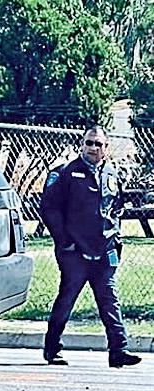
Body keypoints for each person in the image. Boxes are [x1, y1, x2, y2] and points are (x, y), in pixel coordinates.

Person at [40, 126, 141, 368]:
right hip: (74, 252)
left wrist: (114, 236)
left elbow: (116, 207)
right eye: (88, 143)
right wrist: (65, 242)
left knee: (109, 300)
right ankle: (52, 348)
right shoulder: (66, 172)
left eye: (98, 144)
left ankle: (119, 351)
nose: (92, 148)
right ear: (82, 144)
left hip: (104, 250)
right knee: (66, 299)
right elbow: (50, 209)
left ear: (106, 148)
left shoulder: (111, 173)